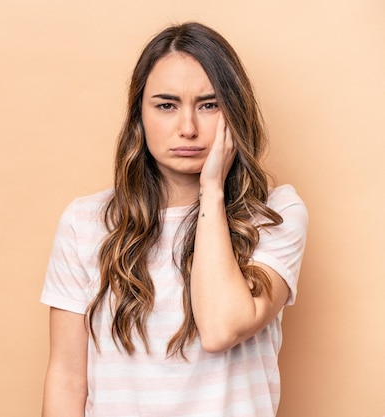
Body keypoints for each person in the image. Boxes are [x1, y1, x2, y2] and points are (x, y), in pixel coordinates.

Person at [40, 22, 308, 417]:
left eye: (209, 105)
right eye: (166, 105)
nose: (188, 129)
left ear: (235, 112)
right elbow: (67, 378)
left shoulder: (275, 214)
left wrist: (212, 191)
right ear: (139, 116)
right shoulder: (86, 222)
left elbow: (221, 328)